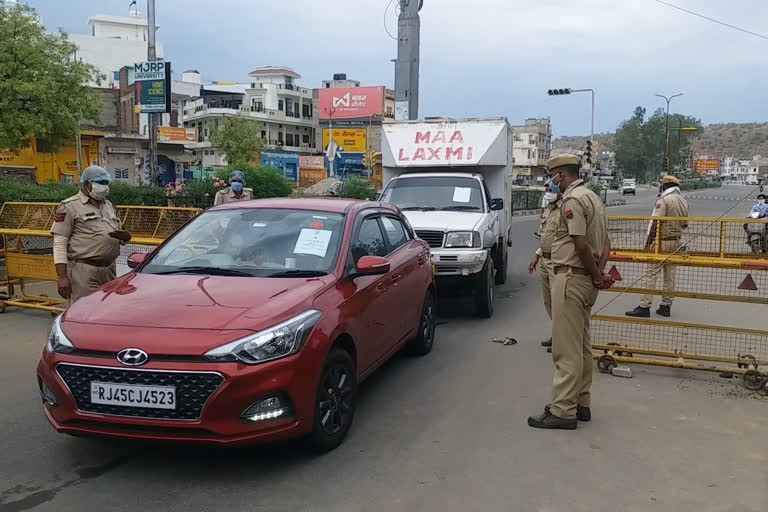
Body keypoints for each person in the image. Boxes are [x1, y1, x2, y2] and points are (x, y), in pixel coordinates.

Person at [528, 154, 613, 430]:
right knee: (582, 345)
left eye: (551, 176)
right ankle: (580, 402)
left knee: (566, 349)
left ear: (560, 176)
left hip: (572, 278)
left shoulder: (573, 200)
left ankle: (563, 410)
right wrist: (598, 274)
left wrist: (596, 274)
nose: (550, 181)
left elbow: (579, 243)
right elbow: (606, 242)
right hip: (586, 280)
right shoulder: (593, 198)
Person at [51, 166, 132, 304]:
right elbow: (59, 243)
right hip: (84, 271)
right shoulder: (70, 206)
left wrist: (125, 238)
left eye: (106, 183)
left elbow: (118, 231)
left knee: (106, 312)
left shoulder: (108, 205)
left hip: (109, 270)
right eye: (101, 183)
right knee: (84, 312)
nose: (105, 187)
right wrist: (62, 276)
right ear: (87, 184)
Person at [626, 175, 689, 318]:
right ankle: (666, 306)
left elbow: (655, 223)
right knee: (670, 277)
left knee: (651, 275)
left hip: (661, 242)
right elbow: (684, 224)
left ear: (665, 187)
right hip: (677, 242)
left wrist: (648, 243)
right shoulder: (684, 201)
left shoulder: (663, 201)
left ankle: (644, 306)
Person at [529, 181, 561, 352]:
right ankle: (556, 334)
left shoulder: (564, 209)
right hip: (544, 258)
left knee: (559, 302)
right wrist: (537, 254)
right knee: (548, 301)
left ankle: (562, 339)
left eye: (550, 190)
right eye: (545, 190)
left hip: (558, 261)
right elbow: (545, 236)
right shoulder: (548, 208)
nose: (547, 193)